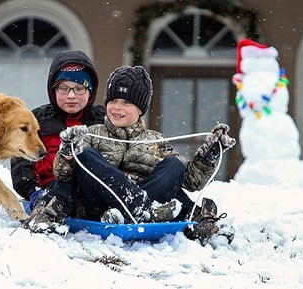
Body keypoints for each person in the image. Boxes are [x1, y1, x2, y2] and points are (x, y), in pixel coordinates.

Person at [26, 66, 236, 245]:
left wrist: (210, 153)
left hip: (134, 206)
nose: (117, 107)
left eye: (126, 102)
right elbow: (63, 175)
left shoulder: (155, 140)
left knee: (174, 166)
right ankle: (143, 211)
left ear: (140, 109)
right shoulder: (92, 133)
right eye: (113, 100)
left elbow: (191, 181)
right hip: (97, 207)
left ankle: (133, 213)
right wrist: (68, 152)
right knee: (86, 155)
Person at [10, 50, 105, 208]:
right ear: (53, 90)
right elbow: (21, 163)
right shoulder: (38, 119)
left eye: (79, 88)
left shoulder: (101, 120)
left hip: (92, 194)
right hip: (49, 192)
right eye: (63, 88)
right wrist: (34, 192)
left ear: (91, 91)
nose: (71, 95)